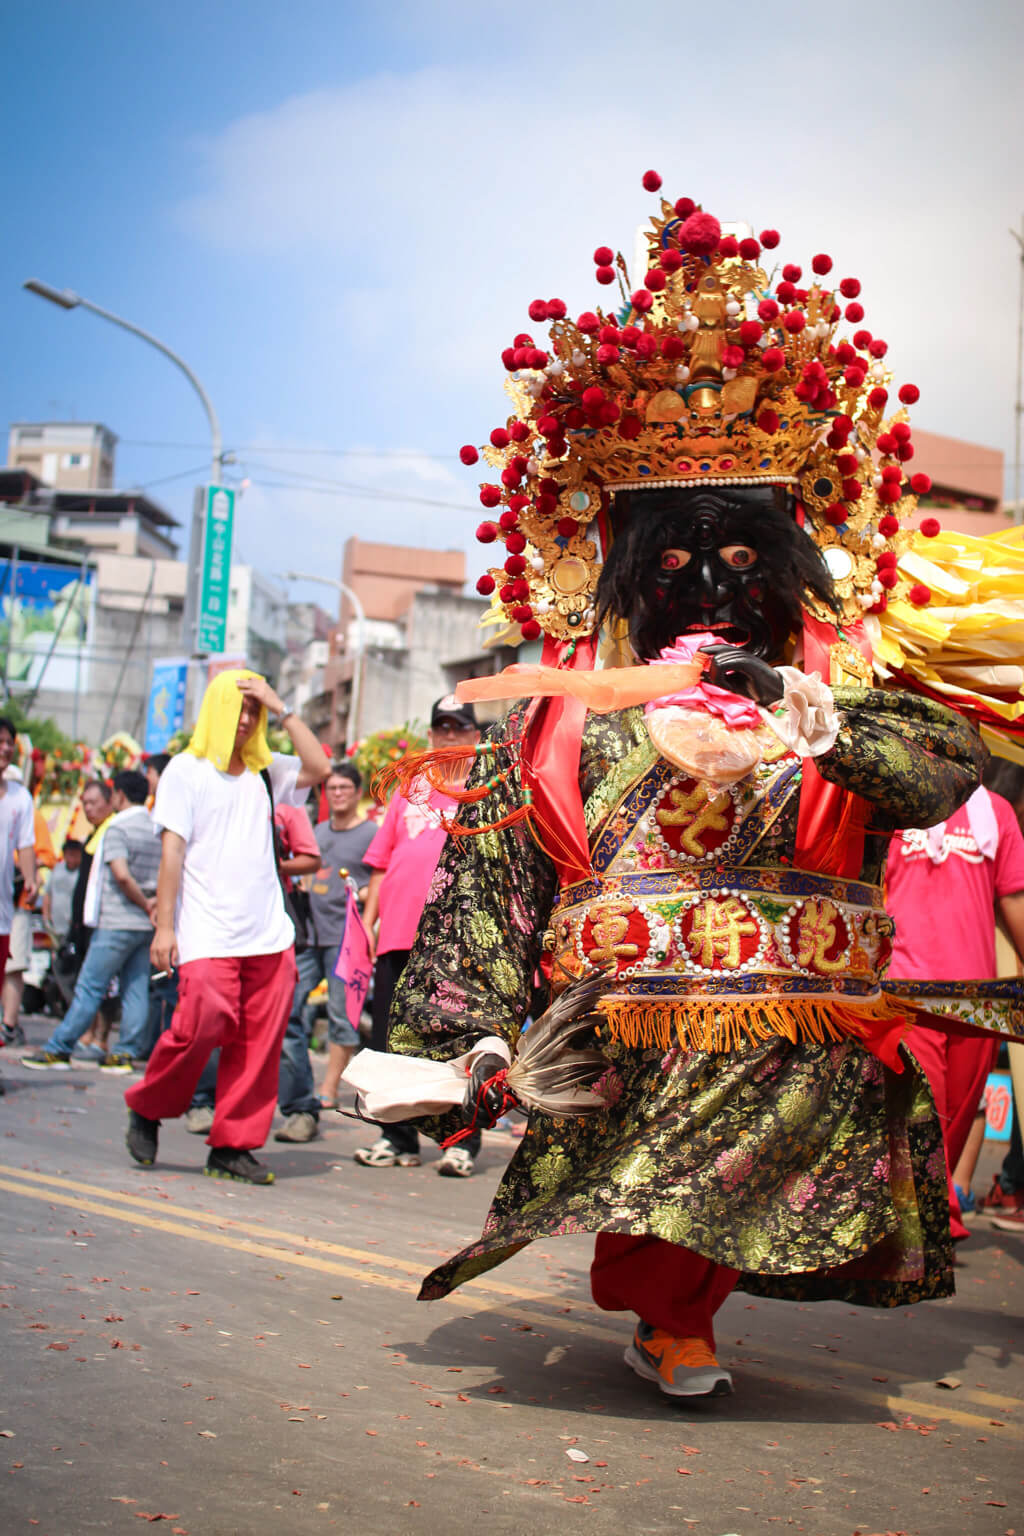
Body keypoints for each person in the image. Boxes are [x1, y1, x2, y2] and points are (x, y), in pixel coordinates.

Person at [355, 178, 1024, 1402]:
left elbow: (939, 777)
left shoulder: (835, 683)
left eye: (733, 561)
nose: (708, 586)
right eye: (672, 566)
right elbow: (491, 873)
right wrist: (451, 1034)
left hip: (791, 1021)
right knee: (647, 1188)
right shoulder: (561, 712)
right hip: (631, 1015)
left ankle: (684, 1317)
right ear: (628, 577)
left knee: (738, 1186)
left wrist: (803, 714)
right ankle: (670, 1317)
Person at [122, 670, 329, 1184]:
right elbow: (172, 851)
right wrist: (164, 929)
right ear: (215, 709)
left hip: (269, 934)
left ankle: (232, 1146)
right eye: (238, 708)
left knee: (260, 1044)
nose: (246, 719)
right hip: (206, 933)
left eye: (253, 711)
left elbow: (320, 766)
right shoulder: (185, 771)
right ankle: (148, 1106)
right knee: (202, 1026)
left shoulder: (266, 771)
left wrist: (281, 706)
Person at [885, 781, 1024, 1240]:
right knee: (923, 1111)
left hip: (978, 1000)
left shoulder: (996, 812)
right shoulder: (892, 800)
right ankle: (927, 1223)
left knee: (958, 1116)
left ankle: (925, 1224)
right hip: (906, 992)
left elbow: (1014, 898)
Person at [354, 697, 483, 1176]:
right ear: (430, 736)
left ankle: (461, 1141)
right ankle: (398, 1137)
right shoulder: (408, 787)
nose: (449, 737)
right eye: (442, 728)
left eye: (459, 728)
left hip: (457, 939)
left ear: (475, 736)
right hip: (397, 935)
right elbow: (382, 862)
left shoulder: (486, 791)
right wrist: (368, 923)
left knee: (457, 1040)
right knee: (391, 1038)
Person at [188, 792, 322, 1140]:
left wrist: (270, 864)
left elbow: (310, 858)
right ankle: (204, 1101)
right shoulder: (210, 792)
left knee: (285, 1018)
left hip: (272, 923)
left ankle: (300, 1110)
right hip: (218, 920)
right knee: (213, 1013)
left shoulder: (284, 801)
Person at [23, 770, 161, 1071]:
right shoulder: (154, 829)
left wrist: (142, 900)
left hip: (115, 920)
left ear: (120, 796)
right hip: (143, 925)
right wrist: (151, 905)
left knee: (90, 986)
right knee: (135, 988)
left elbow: (121, 875)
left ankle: (60, 1047)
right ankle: (123, 1053)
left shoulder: (117, 828)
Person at [276, 762, 374, 1141]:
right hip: (308, 935)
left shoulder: (369, 833)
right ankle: (293, 1085)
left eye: (344, 787)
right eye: (331, 787)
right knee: (289, 1003)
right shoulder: (316, 831)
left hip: (345, 938)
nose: (337, 793)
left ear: (356, 791)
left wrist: (366, 915)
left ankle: (329, 1088)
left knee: (340, 1013)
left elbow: (376, 879)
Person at [2, 765, 56, 1047]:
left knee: (14, 964)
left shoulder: (27, 810)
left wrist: (24, 869)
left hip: (16, 902)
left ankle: (8, 1025)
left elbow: (44, 853)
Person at [0, 719, 36, 1092]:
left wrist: (31, 878)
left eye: (9, 742)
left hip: (2, 915)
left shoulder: (19, 798)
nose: (5, 748)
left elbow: (25, 844)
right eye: (0, 742)